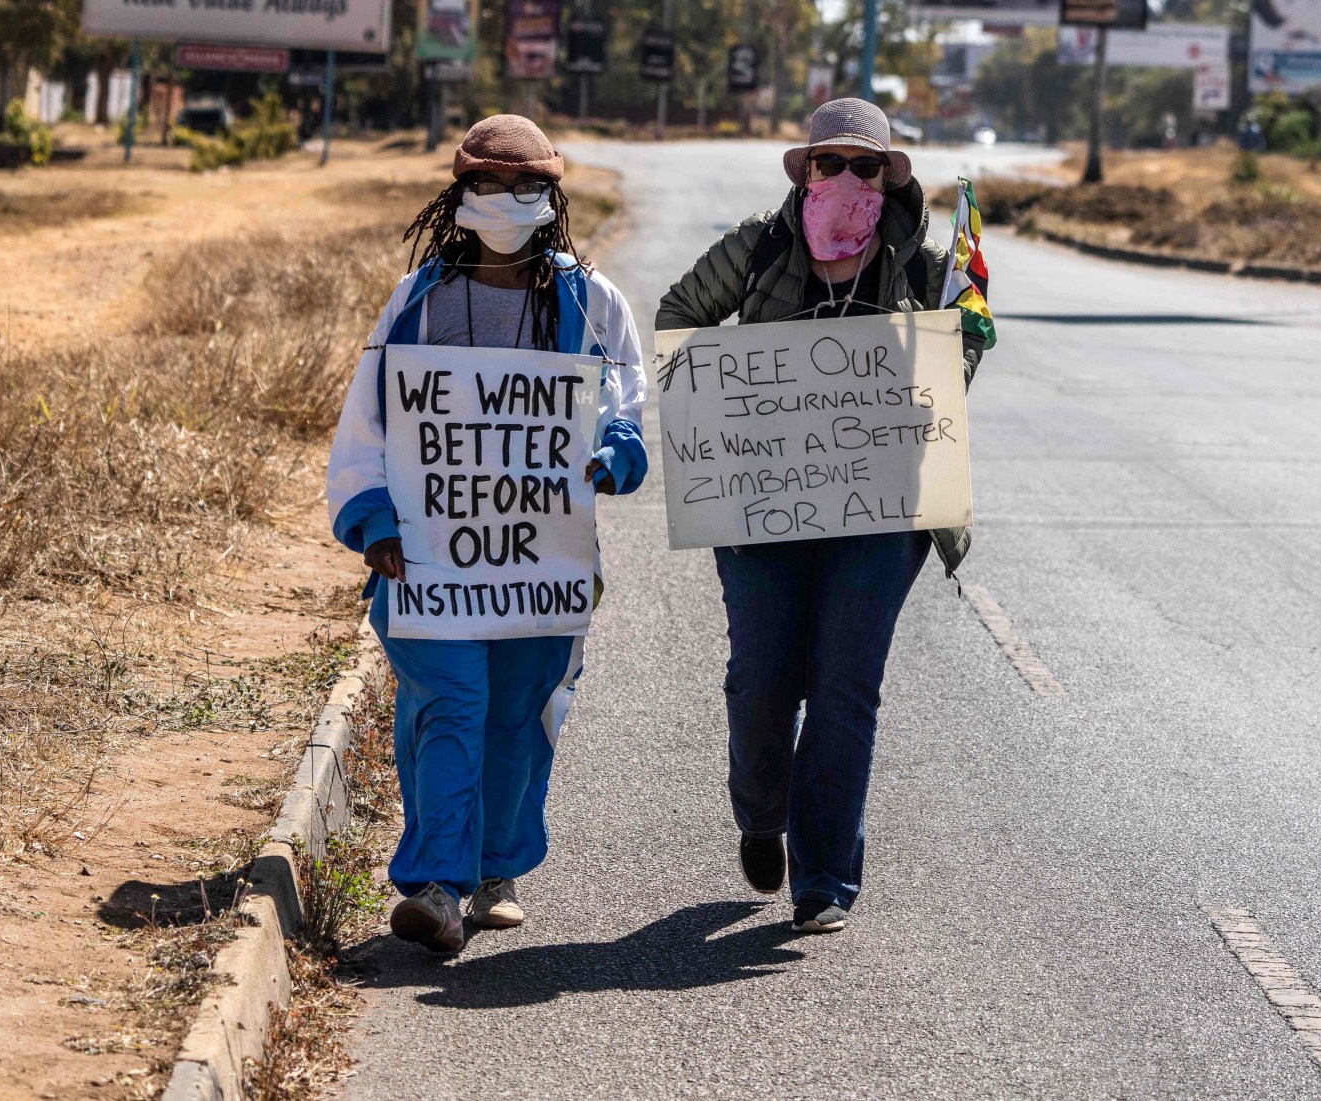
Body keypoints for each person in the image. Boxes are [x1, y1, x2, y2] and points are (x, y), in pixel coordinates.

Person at [657, 97, 991, 934]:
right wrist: (730, 416)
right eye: (828, 163)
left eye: (864, 165)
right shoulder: (760, 245)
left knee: (846, 687)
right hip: (762, 504)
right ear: (804, 172)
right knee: (761, 680)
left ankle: (824, 880)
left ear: (889, 178)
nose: (845, 178)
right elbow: (678, 317)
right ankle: (762, 814)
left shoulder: (926, 264)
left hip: (882, 511)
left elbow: (967, 348)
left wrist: (948, 345)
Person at [326, 114, 648, 956]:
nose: (507, 201)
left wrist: (618, 451)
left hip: (542, 563)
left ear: (553, 193)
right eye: (489, 184)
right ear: (458, 192)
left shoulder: (589, 300)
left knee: (518, 711)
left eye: (526, 186)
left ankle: (496, 869)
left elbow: (626, 401)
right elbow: (369, 416)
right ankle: (434, 884)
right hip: (427, 558)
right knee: (450, 703)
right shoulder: (419, 300)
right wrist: (372, 518)